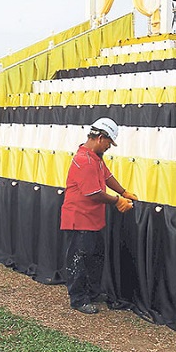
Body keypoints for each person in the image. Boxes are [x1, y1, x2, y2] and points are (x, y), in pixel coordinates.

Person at [61, 117, 138, 315]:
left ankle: (92, 292)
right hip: (79, 218)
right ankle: (78, 298)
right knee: (80, 258)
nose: (109, 147)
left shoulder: (95, 158)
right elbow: (93, 193)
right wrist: (117, 201)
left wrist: (123, 191)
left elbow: (107, 176)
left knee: (95, 257)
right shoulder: (83, 160)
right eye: (108, 143)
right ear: (100, 138)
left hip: (93, 218)